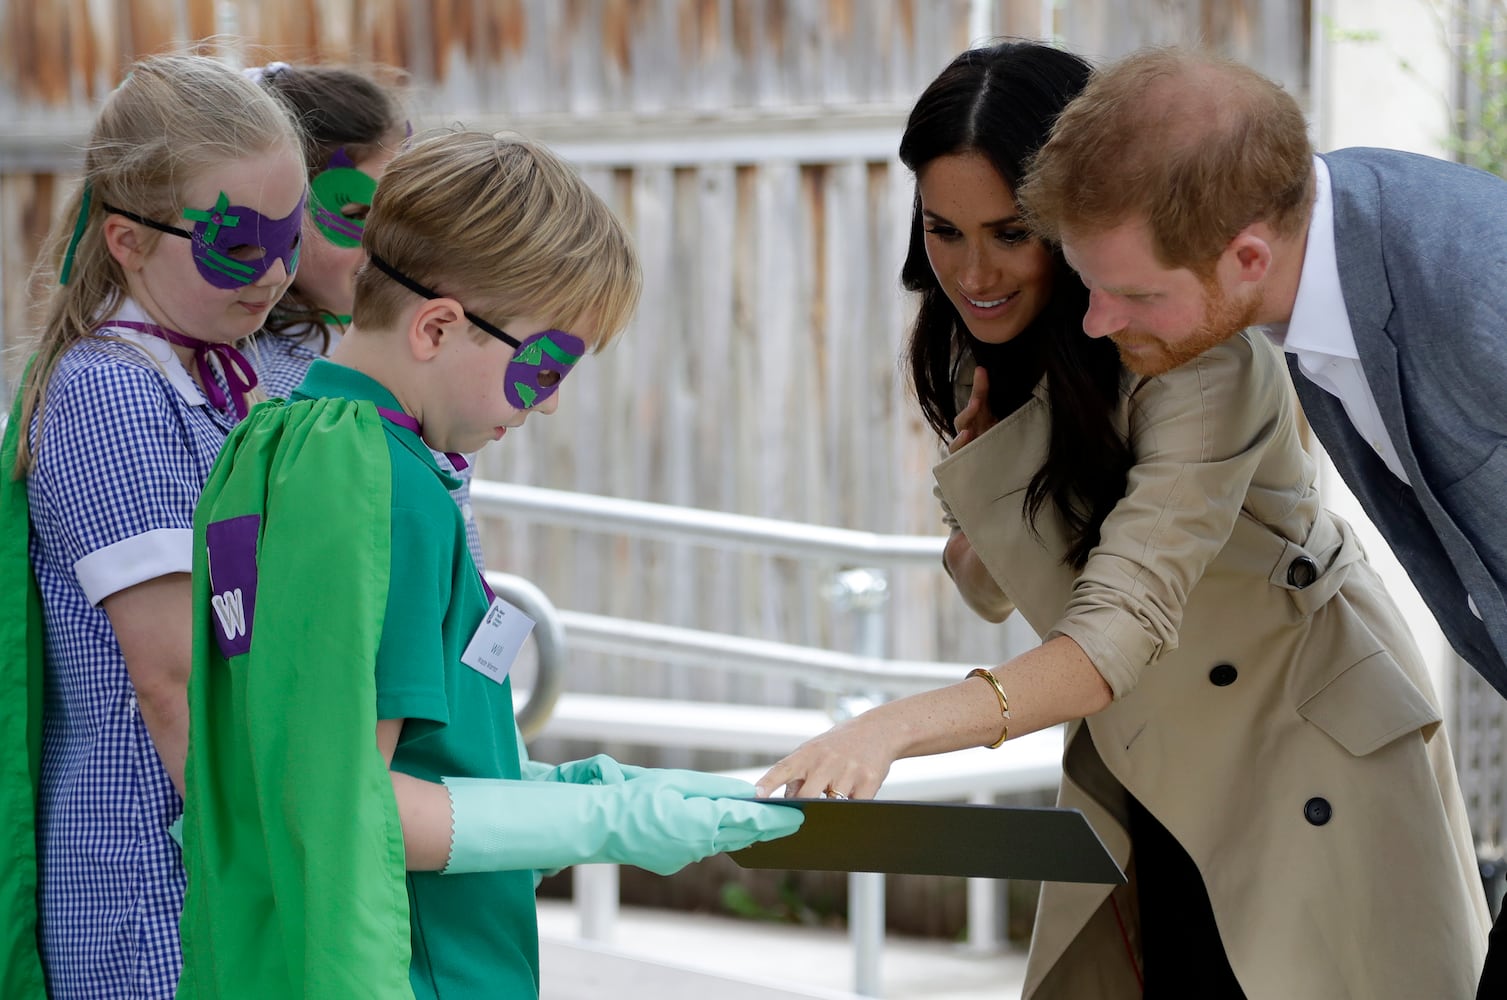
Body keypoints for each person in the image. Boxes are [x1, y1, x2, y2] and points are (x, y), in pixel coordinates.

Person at [755, 41, 1488, 999]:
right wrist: (981, 480)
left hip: (1299, 746)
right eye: (942, 229)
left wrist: (894, 728)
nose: (973, 272)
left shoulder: (1199, 350)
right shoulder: (972, 347)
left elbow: (1118, 625)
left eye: (1010, 233)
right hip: (1152, 755)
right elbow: (999, 588)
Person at [175, 129, 804, 1000]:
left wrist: (560, 786)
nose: (544, 405)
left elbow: (300, 754)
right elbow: (360, 805)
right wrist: (596, 821)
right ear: (438, 325)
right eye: (542, 368)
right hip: (411, 966)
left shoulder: (268, 443)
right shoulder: (390, 487)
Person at [1016, 45, 1507, 996]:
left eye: (1134, 293)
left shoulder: (1479, 288)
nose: (1095, 320)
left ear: (1245, 254)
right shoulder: (1322, 261)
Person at [0, 54, 305, 998]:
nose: (275, 270)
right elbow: (173, 681)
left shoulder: (238, 368)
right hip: (155, 880)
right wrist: (282, 867)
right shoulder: (111, 394)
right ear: (128, 242)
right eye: (234, 245)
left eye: (290, 233)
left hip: (211, 851)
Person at [245, 61, 493, 571]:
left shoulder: (412, 345)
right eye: (355, 215)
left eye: (395, 214)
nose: (381, 245)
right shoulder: (262, 388)